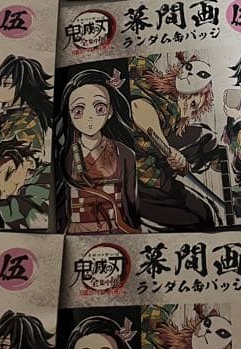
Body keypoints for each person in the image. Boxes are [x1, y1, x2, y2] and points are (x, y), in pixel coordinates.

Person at [130, 54, 226, 230]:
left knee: (206, 137)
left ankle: (213, 164)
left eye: (194, 108)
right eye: (192, 103)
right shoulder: (170, 108)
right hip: (142, 181)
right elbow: (138, 107)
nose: (188, 112)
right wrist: (168, 150)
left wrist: (178, 161)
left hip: (154, 163)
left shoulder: (146, 70)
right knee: (204, 216)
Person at [55, 69, 140, 234]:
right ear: (69, 115)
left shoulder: (125, 153)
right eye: (78, 111)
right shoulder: (65, 155)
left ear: (110, 111)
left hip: (117, 230)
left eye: (99, 108)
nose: (89, 117)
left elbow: (131, 201)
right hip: (77, 232)